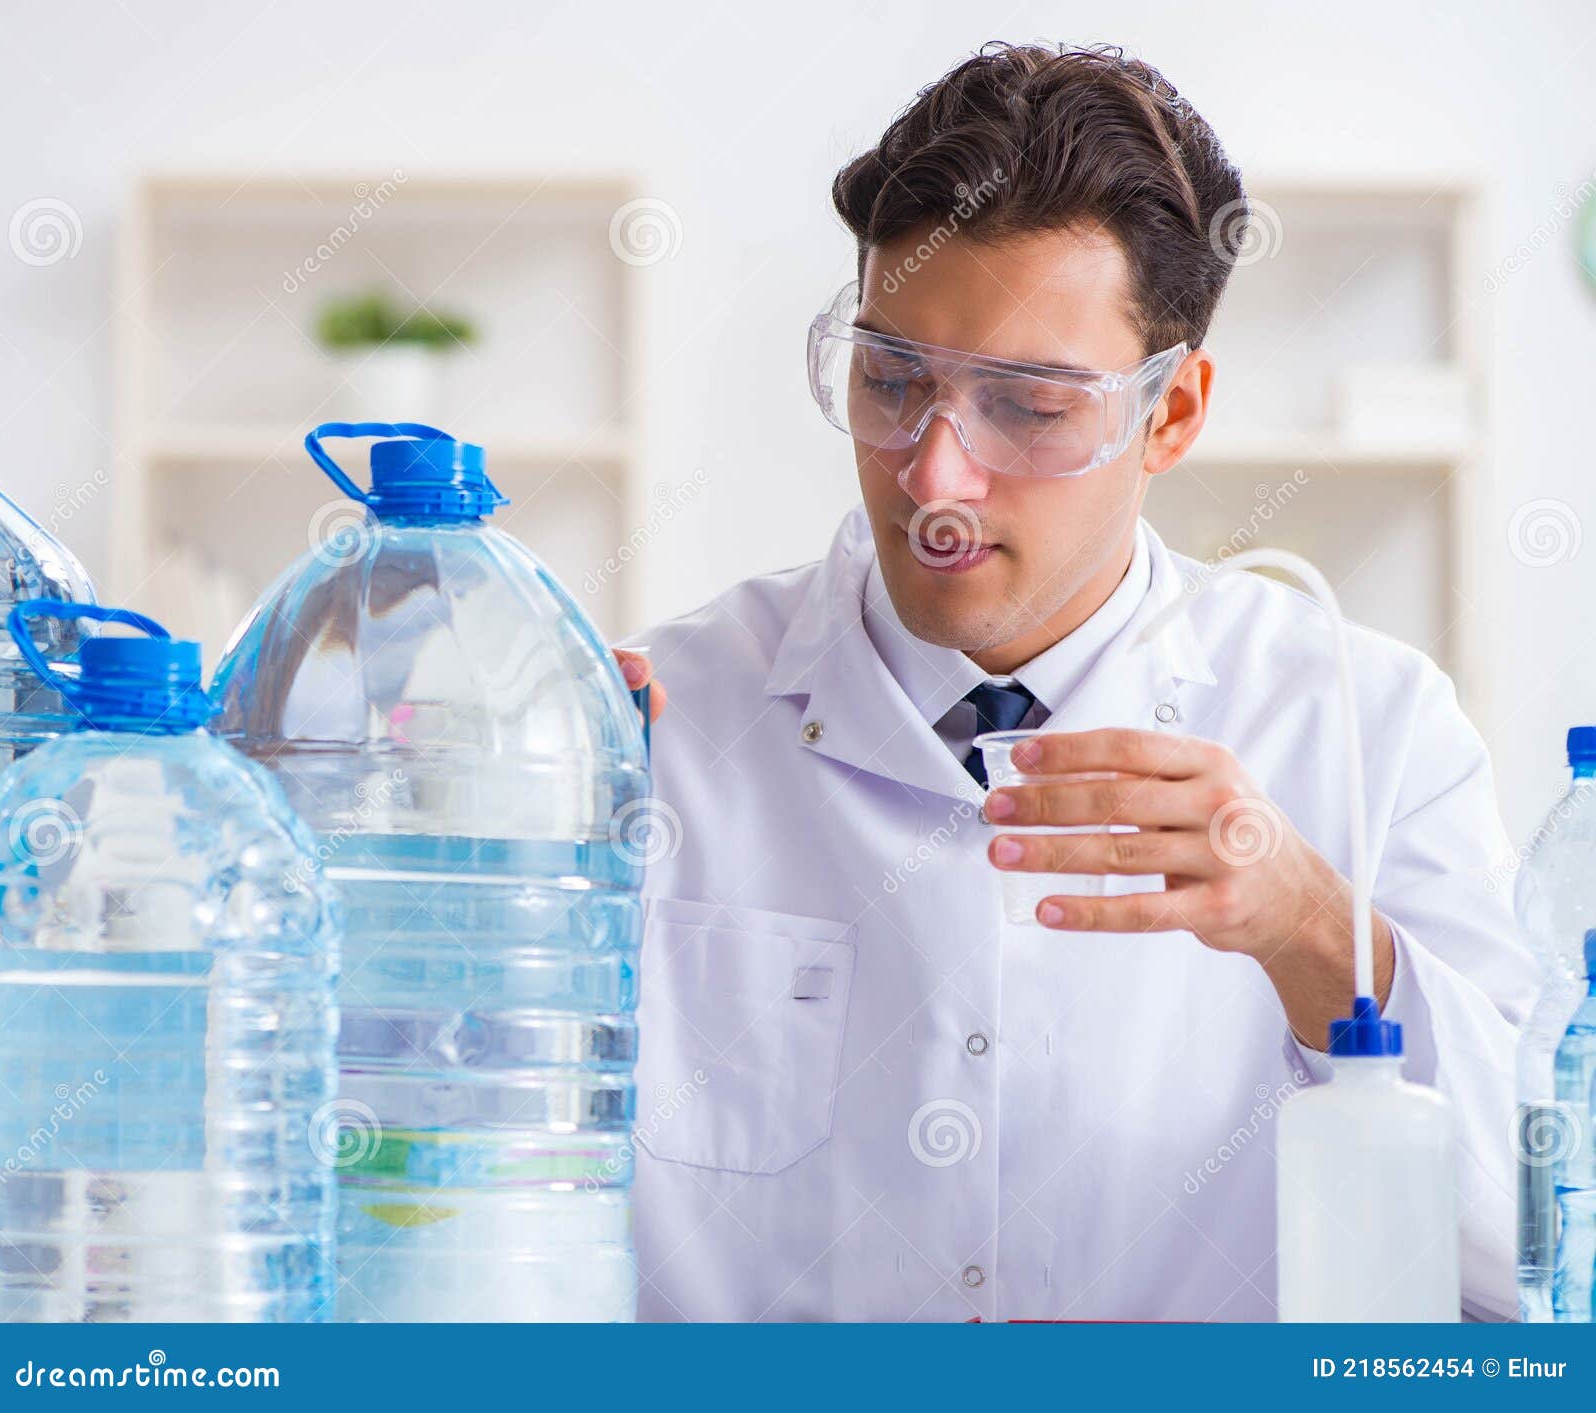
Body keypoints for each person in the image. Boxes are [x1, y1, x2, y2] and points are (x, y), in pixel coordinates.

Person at [613, 41, 1532, 1322]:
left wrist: (1314, 934)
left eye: (1030, 407)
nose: (934, 477)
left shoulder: (1367, 727)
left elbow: (1534, 1267)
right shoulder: (660, 725)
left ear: (1171, 414)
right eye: (891, 380)